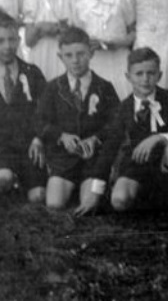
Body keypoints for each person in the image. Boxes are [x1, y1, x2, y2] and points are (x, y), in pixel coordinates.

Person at [35, 26, 120, 216]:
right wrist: (61, 136)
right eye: (69, 55)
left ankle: (94, 187)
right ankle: (70, 187)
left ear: (91, 53)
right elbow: (40, 122)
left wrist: (96, 138)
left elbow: (116, 123)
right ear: (60, 57)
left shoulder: (104, 87)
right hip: (64, 159)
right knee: (55, 204)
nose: (75, 60)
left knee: (90, 207)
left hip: (94, 160)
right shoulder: (52, 88)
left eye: (81, 54)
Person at [103, 48, 168, 212]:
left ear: (159, 75)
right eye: (139, 74)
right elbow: (111, 145)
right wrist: (96, 187)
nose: (145, 79)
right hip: (135, 164)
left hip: (163, 162)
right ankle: (142, 195)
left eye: (151, 73)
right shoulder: (124, 107)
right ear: (128, 77)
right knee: (119, 201)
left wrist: (159, 137)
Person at [0, 11, 47, 202]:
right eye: (0, 41)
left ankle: (22, 181)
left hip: (28, 147)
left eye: (12, 40)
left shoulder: (32, 73)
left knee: (38, 196)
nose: (7, 46)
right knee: (2, 179)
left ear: (19, 40)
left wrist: (39, 139)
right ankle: (5, 181)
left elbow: (46, 111)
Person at [74, 0, 136, 99]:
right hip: (94, 61)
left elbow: (133, 32)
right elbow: (78, 38)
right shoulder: (80, 6)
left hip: (119, 58)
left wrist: (117, 43)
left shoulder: (122, 0)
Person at [22, 0, 80, 81]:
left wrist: (61, 29)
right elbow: (29, 41)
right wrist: (40, 28)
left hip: (67, 51)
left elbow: (79, 31)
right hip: (41, 52)